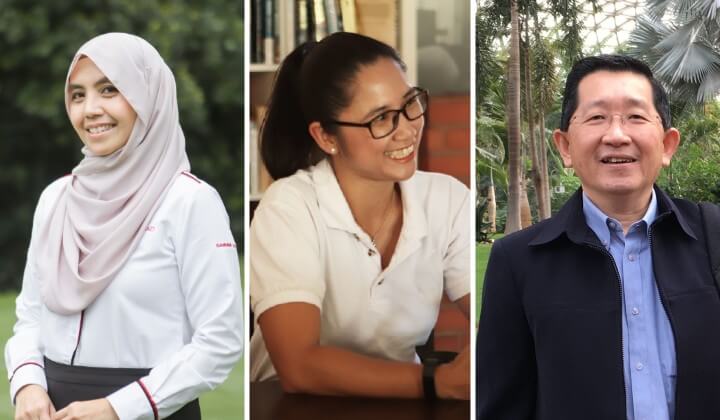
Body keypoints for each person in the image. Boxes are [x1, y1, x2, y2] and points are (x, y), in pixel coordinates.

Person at [5, 33, 243, 420]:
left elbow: (220, 341)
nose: (91, 109)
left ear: (149, 96)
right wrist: (28, 384)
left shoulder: (189, 202)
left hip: (153, 411)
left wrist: (119, 408)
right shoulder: (56, 198)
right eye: (78, 95)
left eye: (109, 89)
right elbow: (31, 316)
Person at [477, 54, 720, 419]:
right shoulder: (517, 261)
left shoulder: (714, 235)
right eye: (596, 117)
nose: (617, 135)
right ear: (565, 147)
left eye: (636, 117)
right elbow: (503, 405)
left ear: (668, 145)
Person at [249, 32, 470, 400]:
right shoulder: (288, 206)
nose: (408, 129)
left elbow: (500, 314)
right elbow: (299, 366)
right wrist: (437, 381)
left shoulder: (447, 199)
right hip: (289, 408)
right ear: (326, 137)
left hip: (403, 405)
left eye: (411, 103)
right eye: (381, 118)